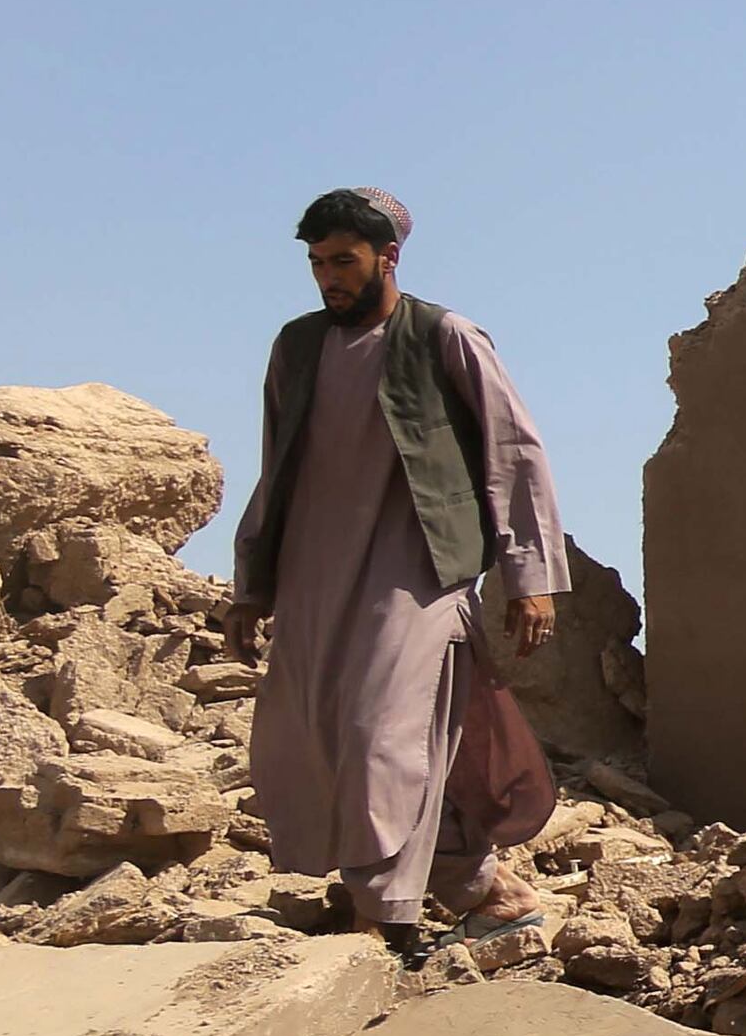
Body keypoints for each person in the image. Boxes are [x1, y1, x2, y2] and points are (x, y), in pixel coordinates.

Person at [235, 188, 570, 960]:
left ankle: (384, 920)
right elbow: (274, 466)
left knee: (379, 735)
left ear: (389, 256)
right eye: (317, 263)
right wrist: (251, 584)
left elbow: (512, 452)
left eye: (343, 260)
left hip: (417, 570)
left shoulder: (443, 335)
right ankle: (487, 891)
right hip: (316, 568)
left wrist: (531, 574)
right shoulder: (296, 347)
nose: (329, 278)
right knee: (318, 736)